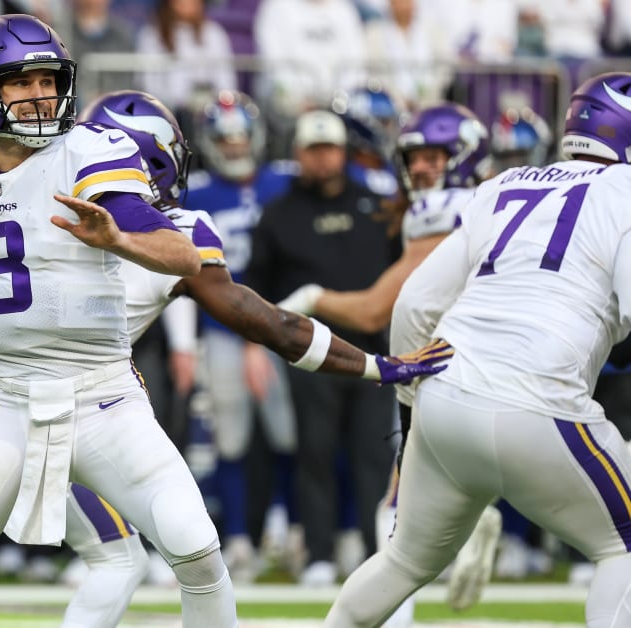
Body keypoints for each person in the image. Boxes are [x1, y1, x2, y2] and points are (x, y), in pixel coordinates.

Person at [0, 89, 452, 627]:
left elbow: (262, 318)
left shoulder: (96, 204)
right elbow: (271, 324)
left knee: (183, 547)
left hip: (77, 395)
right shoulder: (29, 183)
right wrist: (375, 366)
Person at [325, 71, 631, 628]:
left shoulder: (503, 186)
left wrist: (411, 421)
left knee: (401, 559)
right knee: (623, 546)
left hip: (445, 399)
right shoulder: (626, 192)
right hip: (541, 405)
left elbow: (415, 304)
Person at [278, 103, 499, 623]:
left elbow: (380, 306)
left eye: (434, 157)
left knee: (395, 515)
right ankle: (477, 519)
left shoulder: (443, 208)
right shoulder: (496, 197)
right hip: (494, 364)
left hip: (453, 369)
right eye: (413, 158)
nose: (420, 168)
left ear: (464, 156)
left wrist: (311, 298)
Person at [242, 109, 398, 587]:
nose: (323, 159)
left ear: (344, 151)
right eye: (314, 150)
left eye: (329, 148)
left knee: (374, 453)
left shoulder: (378, 207)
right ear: (299, 155)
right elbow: (253, 289)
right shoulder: (278, 214)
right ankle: (319, 553)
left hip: (373, 349)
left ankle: (378, 555)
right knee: (315, 452)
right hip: (308, 354)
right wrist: (254, 346)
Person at [184, 89, 299, 581]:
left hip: (282, 326)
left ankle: (285, 527)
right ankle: (236, 540)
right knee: (229, 439)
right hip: (224, 330)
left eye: (239, 137)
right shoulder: (200, 193)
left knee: (288, 432)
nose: (233, 146)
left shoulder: (285, 183)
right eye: (224, 139)